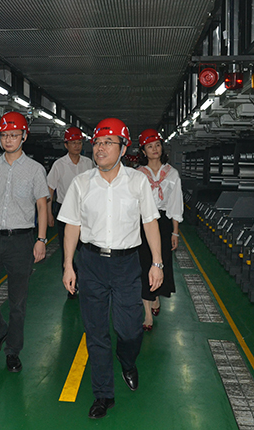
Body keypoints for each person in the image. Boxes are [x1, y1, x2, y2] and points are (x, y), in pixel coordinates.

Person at [57, 118, 164, 419]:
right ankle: (103, 394)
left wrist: (157, 262)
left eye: (108, 142)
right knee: (96, 332)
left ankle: (127, 360)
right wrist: (68, 265)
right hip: (91, 263)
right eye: (97, 142)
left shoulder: (137, 182)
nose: (100, 148)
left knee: (130, 329)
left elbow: (150, 222)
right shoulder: (81, 183)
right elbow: (72, 226)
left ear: (123, 148)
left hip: (126, 263)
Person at [0, 111, 49, 373]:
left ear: (24, 137)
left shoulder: (35, 169)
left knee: (17, 302)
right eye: (4, 135)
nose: (8, 139)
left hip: (20, 241)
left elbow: (42, 206)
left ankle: (13, 351)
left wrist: (41, 240)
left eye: (13, 135)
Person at [136, 129, 184, 331]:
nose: (154, 149)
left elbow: (175, 204)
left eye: (157, 145)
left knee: (161, 262)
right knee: (144, 264)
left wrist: (175, 231)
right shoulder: (138, 174)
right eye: (149, 146)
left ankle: (155, 295)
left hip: (163, 222)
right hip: (143, 222)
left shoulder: (172, 174)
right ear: (143, 151)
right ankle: (147, 312)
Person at [46, 126, 94, 298]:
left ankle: (86, 281)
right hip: (64, 211)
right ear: (66, 145)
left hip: (85, 211)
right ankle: (71, 286)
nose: (77, 146)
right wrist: (49, 213)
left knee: (87, 249)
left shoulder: (88, 163)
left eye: (79, 143)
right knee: (68, 250)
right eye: (73, 143)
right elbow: (50, 190)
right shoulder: (59, 165)